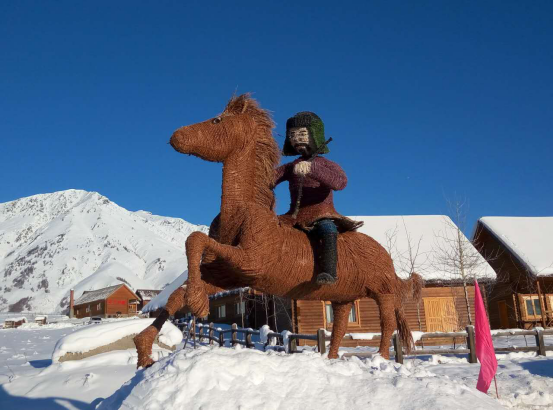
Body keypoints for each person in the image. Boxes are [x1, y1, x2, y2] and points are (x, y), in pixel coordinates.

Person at [274, 112, 362, 285]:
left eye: (301, 134)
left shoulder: (325, 164)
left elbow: (340, 183)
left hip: (321, 214)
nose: (297, 139)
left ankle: (329, 272)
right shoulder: (291, 166)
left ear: (314, 135)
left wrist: (313, 169)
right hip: (293, 216)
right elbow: (269, 179)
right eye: (292, 135)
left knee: (328, 230)